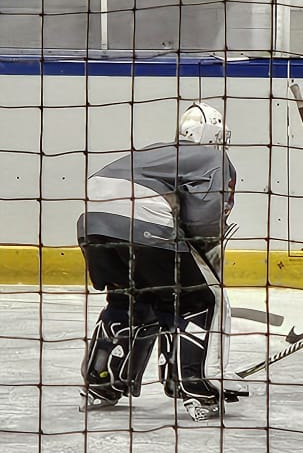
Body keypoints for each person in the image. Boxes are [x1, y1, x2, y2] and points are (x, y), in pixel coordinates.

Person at [77, 103, 239, 420]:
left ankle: (101, 381)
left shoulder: (156, 151)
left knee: (132, 296)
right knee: (200, 299)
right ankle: (194, 385)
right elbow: (207, 217)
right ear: (216, 134)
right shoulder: (213, 157)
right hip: (143, 225)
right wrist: (203, 246)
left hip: (92, 222)